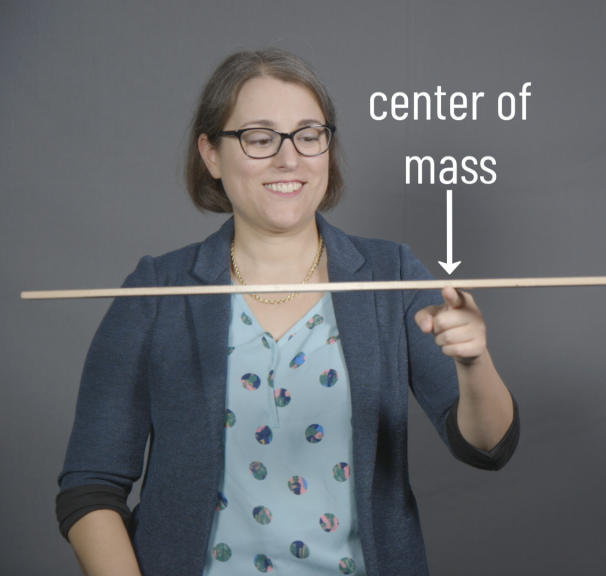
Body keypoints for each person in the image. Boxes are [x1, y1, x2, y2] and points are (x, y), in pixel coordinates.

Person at [55, 47, 519, 576]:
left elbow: (488, 447)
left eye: (308, 134)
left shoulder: (391, 276)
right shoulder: (156, 294)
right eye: (259, 137)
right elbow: (89, 489)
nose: (289, 158)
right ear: (210, 153)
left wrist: (474, 361)